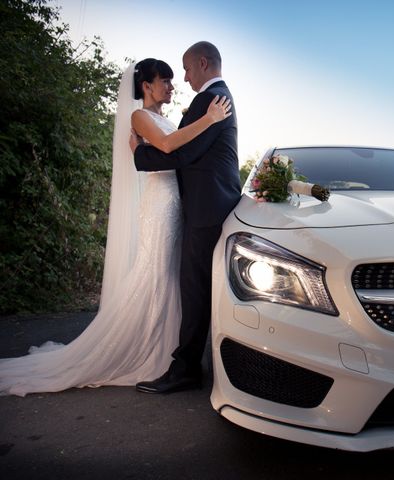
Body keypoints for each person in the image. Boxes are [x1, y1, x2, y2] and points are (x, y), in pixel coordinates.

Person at [0, 58, 230, 396]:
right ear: (146, 86)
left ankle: (170, 354)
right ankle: (147, 352)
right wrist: (210, 119)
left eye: (171, 79)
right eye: (163, 80)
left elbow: (177, 150)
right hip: (160, 206)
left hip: (177, 205)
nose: (171, 85)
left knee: (170, 279)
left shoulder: (167, 117)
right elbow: (167, 146)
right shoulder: (139, 117)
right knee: (154, 275)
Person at [133, 42, 241, 394]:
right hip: (198, 204)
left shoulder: (213, 100)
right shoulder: (211, 100)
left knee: (194, 289)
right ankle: (189, 363)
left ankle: (187, 370)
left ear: (203, 63)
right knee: (191, 287)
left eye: (186, 69)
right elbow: (183, 148)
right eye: (167, 77)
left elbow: (184, 152)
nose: (183, 77)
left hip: (205, 206)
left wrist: (141, 156)